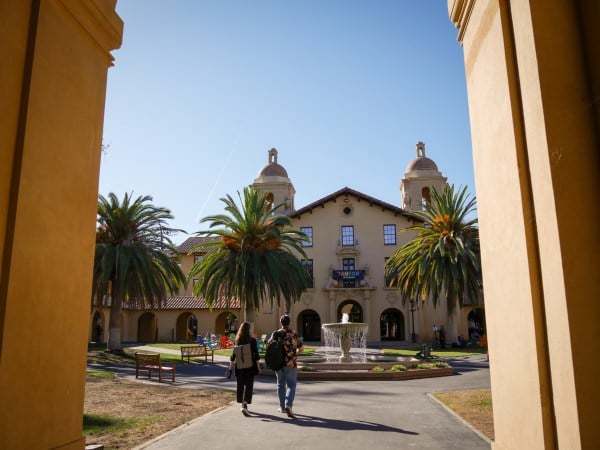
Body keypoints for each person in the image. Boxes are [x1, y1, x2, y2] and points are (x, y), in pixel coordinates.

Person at [269, 314, 303, 418]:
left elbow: (269, 345)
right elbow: (301, 348)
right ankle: (288, 404)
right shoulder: (294, 334)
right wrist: (295, 353)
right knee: (292, 385)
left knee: (280, 385)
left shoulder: (276, 333)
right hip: (291, 363)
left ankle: (282, 407)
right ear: (289, 322)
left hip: (279, 363)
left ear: (281, 322)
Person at [227, 322, 260, 417]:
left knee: (240, 386)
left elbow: (233, 357)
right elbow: (256, 356)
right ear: (249, 329)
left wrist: (230, 369)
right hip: (250, 367)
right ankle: (245, 404)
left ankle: (242, 404)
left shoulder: (237, 340)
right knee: (249, 386)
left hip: (239, 367)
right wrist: (258, 367)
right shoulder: (253, 340)